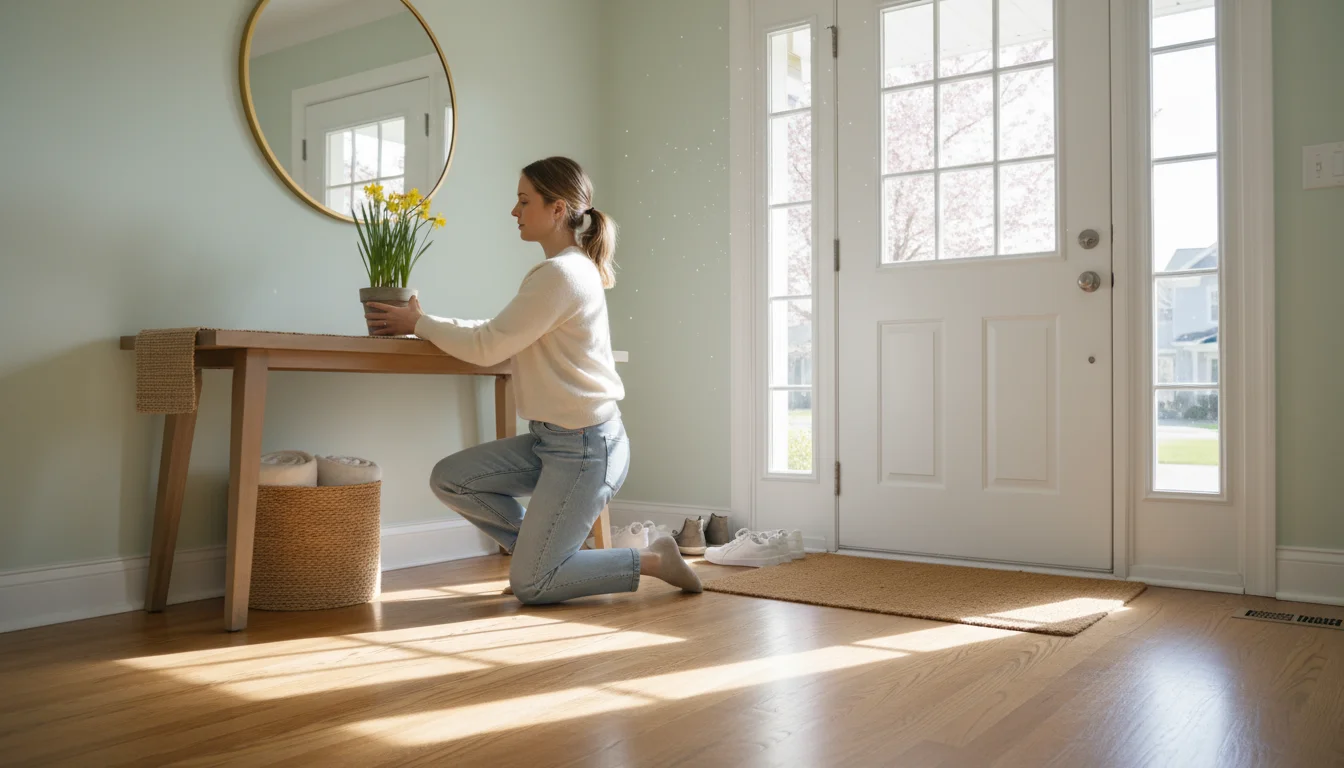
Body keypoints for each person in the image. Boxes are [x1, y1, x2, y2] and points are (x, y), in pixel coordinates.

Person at [364, 156, 702, 604]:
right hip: (553, 442)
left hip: (586, 448)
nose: (514, 210)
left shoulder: (561, 274)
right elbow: (498, 331)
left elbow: (488, 345)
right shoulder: (567, 270)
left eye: (524, 200)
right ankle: (546, 556)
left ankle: (654, 561)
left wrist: (420, 323)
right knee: (451, 478)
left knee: (532, 584)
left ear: (558, 209)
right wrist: (423, 320)